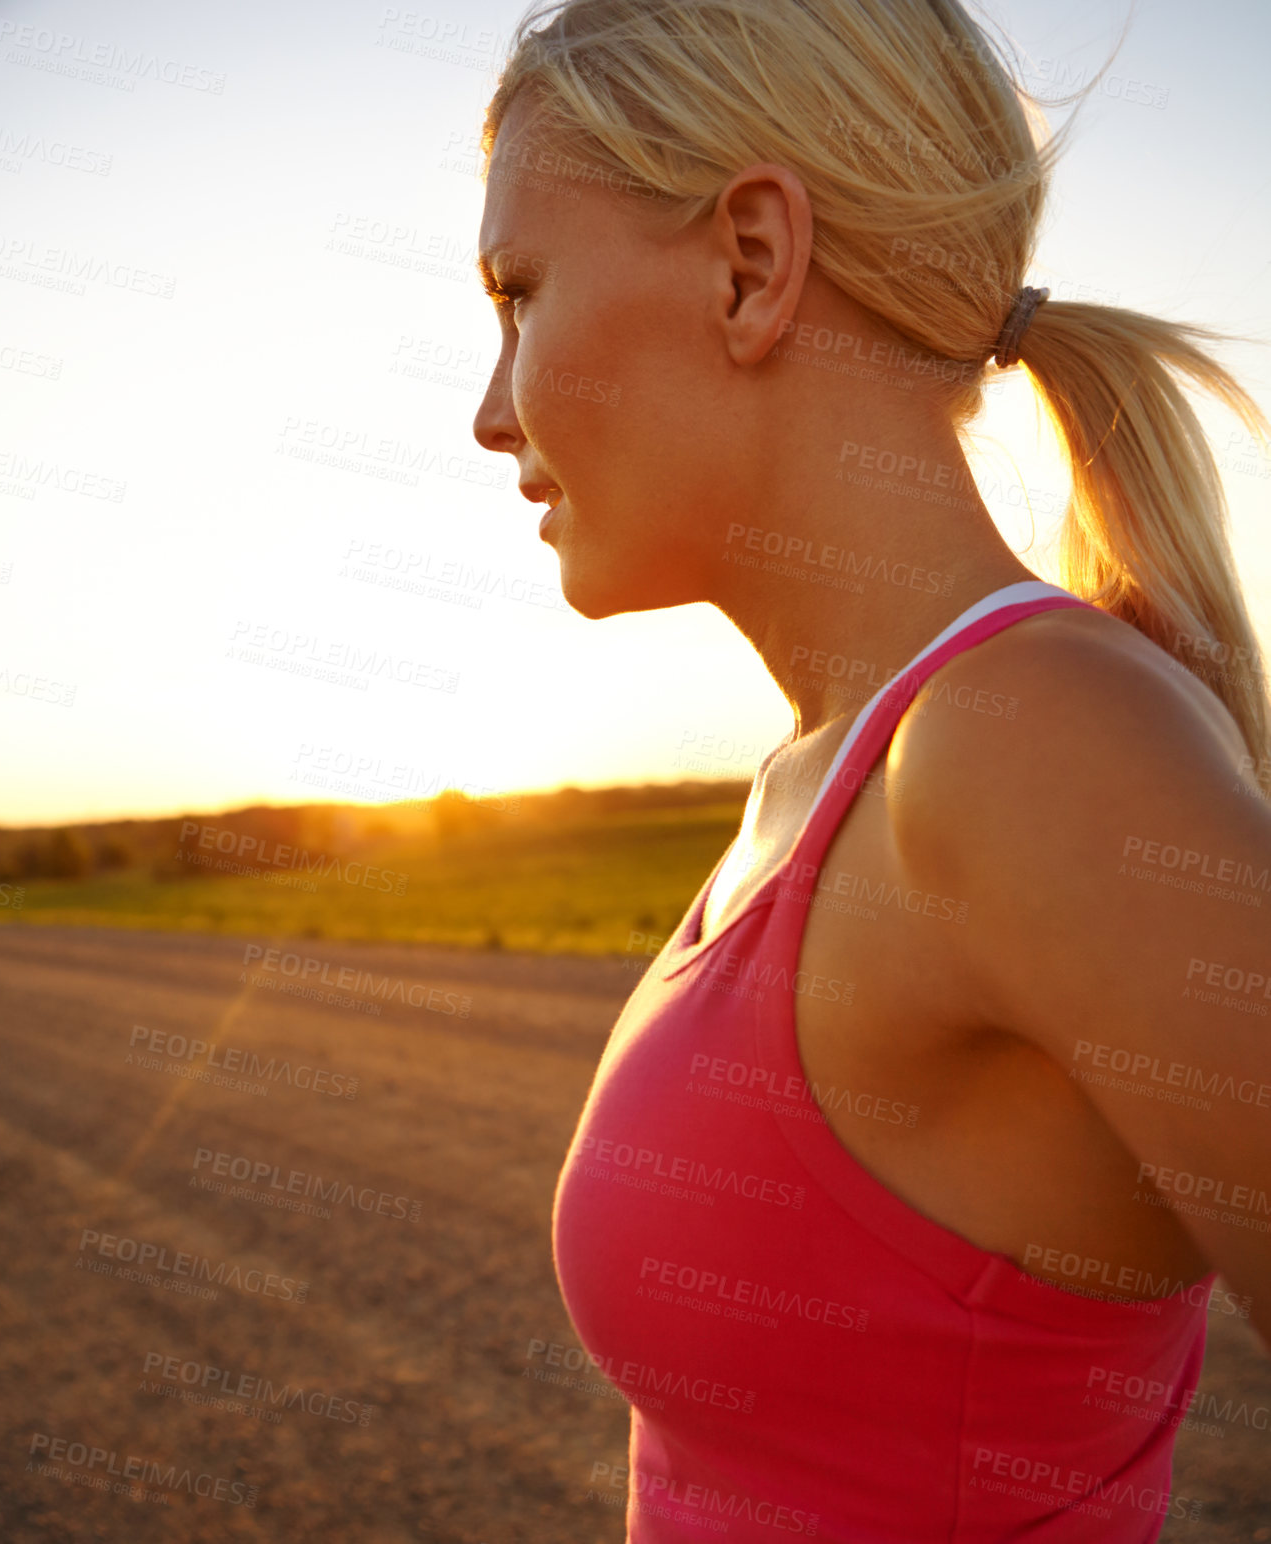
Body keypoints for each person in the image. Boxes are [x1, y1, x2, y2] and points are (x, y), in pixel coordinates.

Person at [470, 2, 1271, 1537]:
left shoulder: (1022, 746)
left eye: (519, 292)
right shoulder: (827, 773)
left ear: (751, 264)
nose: (494, 407)